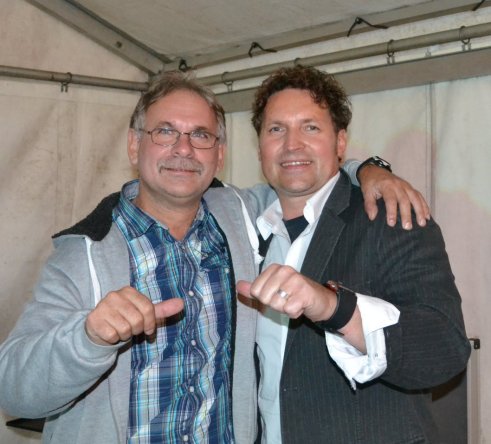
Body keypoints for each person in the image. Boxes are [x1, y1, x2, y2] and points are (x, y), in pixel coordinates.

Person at [0, 71, 429, 444]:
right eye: (165, 132)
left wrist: (369, 169)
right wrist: (87, 338)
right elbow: (13, 390)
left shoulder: (241, 216)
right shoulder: (84, 255)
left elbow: (304, 172)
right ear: (134, 146)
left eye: (201, 135)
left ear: (220, 154)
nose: (183, 149)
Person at [236, 65, 471, 443]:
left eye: (310, 127)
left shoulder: (389, 215)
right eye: (276, 129)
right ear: (260, 145)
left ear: (340, 142)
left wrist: (336, 308)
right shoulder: (246, 226)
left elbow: (445, 350)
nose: (292, 144)